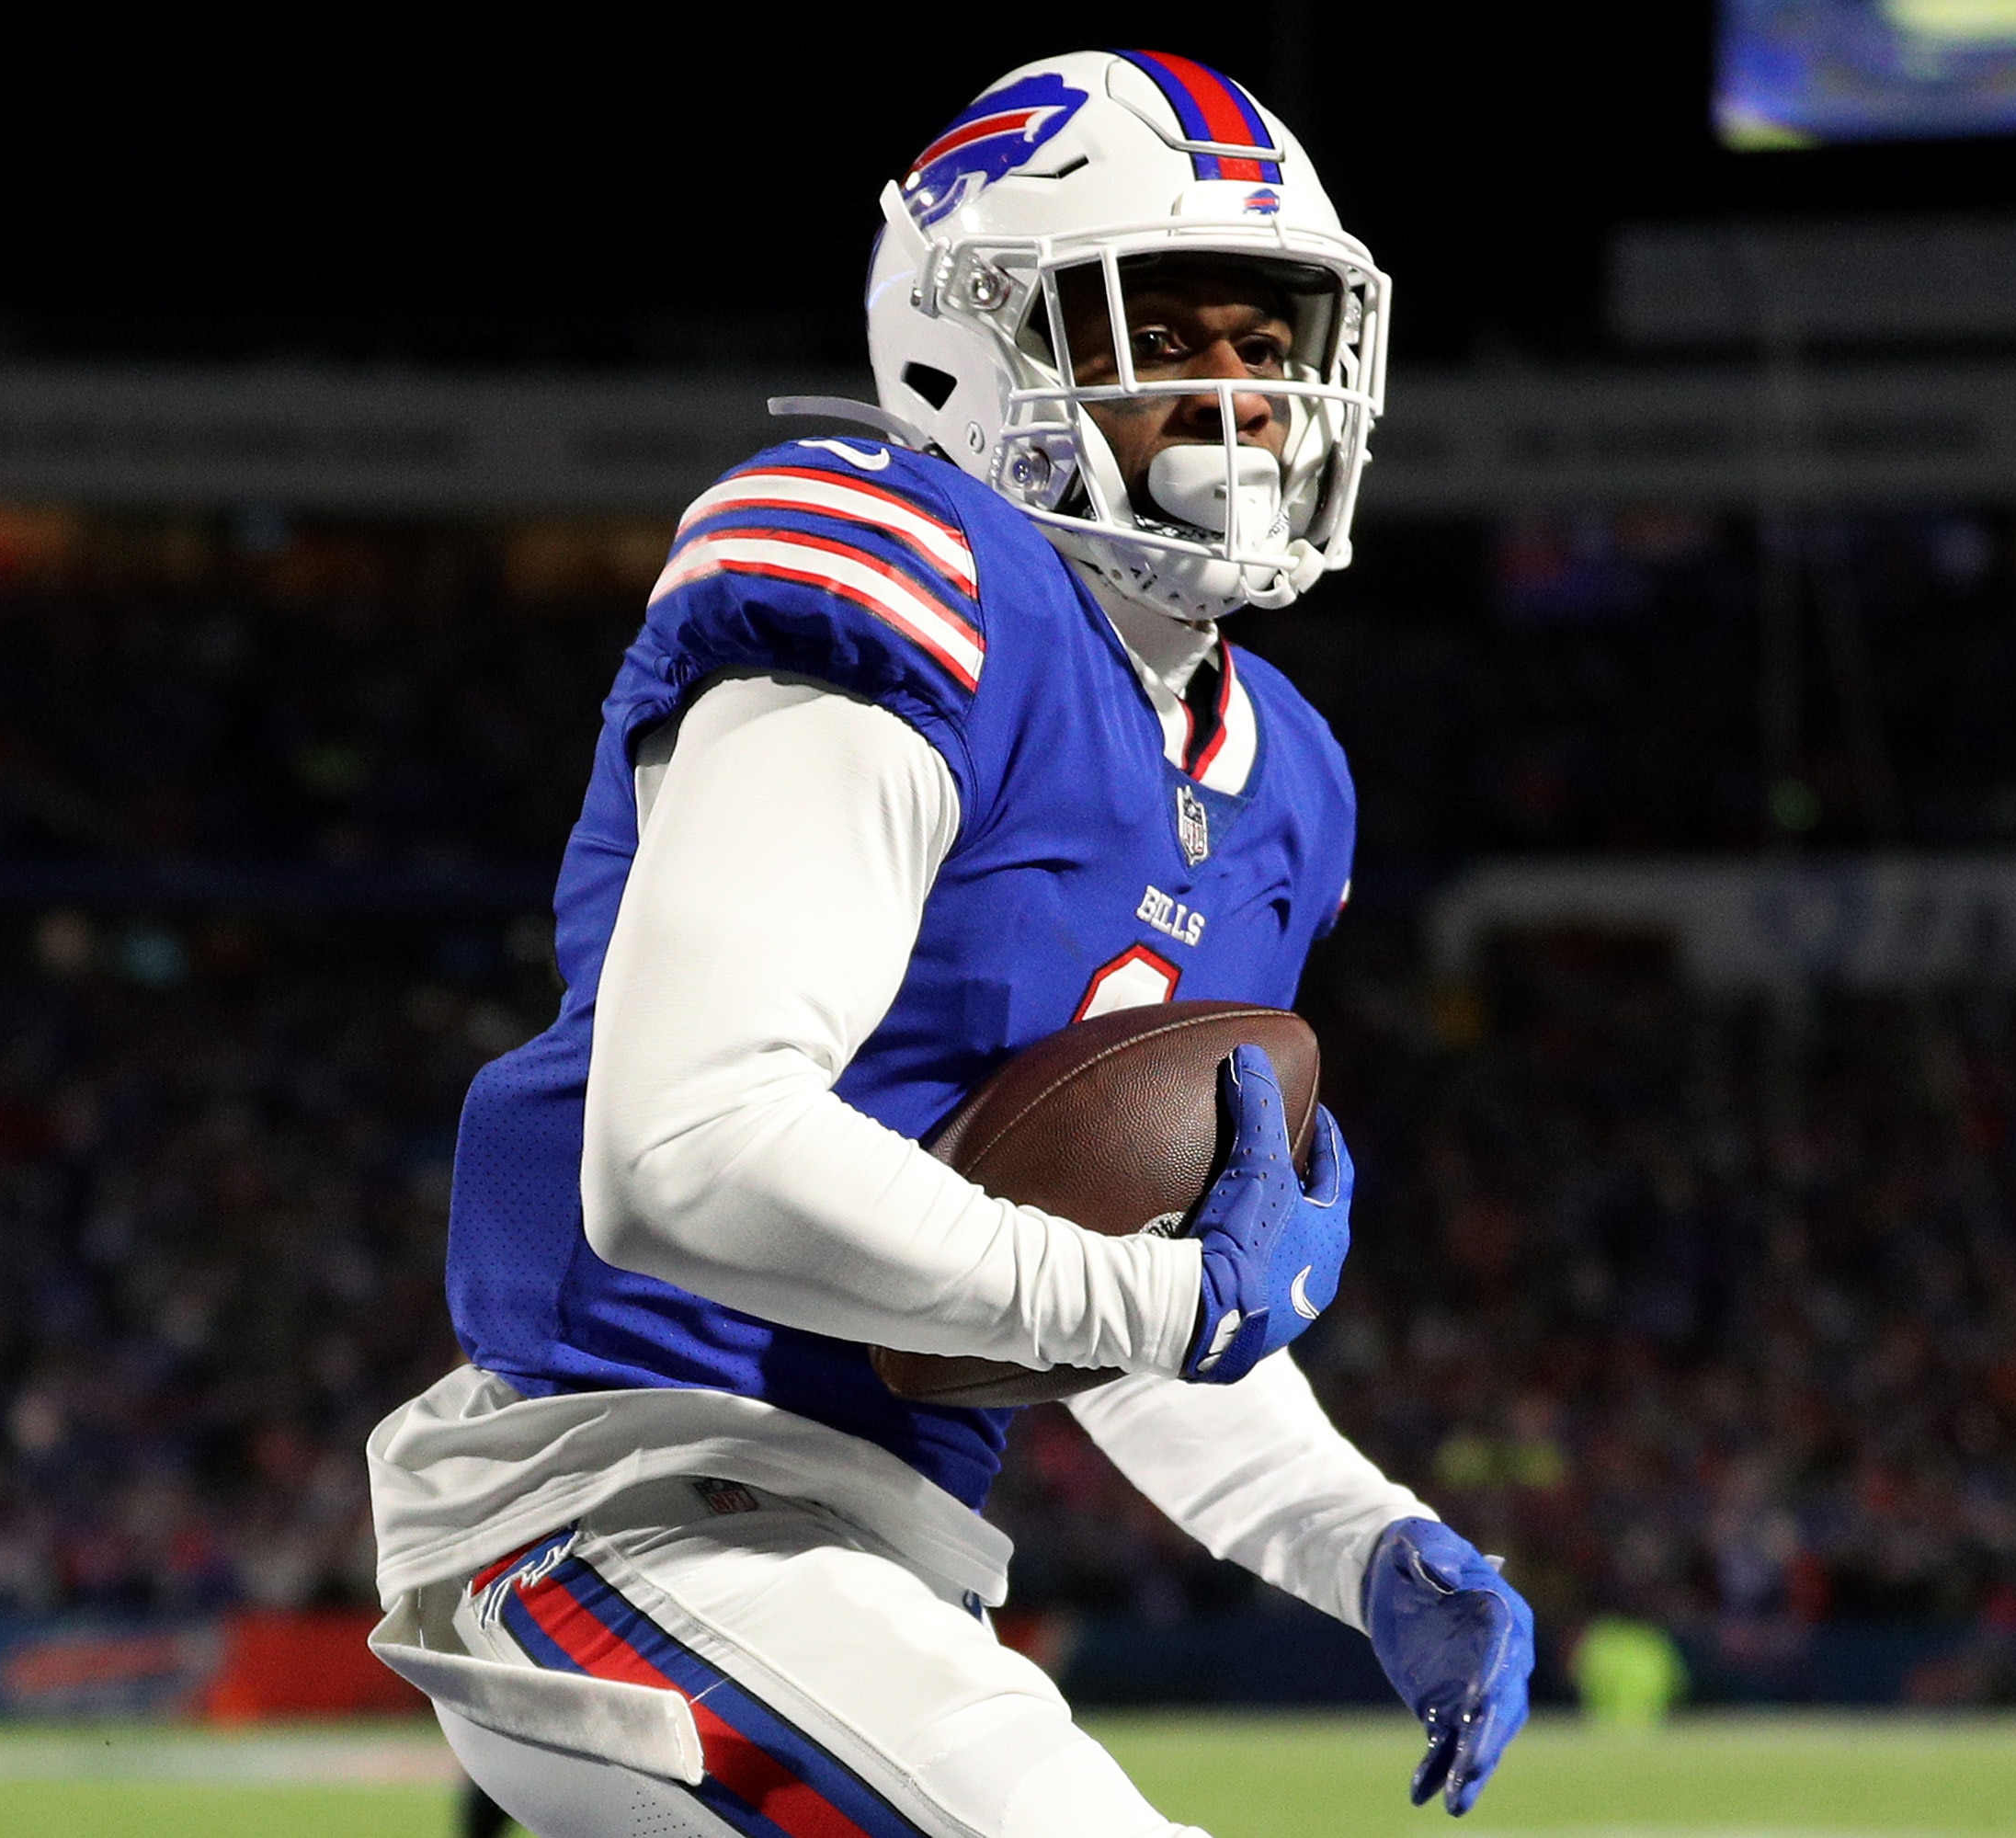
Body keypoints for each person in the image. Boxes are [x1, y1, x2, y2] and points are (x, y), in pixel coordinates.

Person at [369, 50, 1533, 1838]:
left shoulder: (1287, 779)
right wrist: (1170, 1295)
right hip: (629, 1501)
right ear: (973, 349)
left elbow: (1097, 1276)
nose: (1243, 390)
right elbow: (681, 1154)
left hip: (872, 1557)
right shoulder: (908, 572)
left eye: (1274, 334)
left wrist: (1365, 1537)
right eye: (1172, 327)